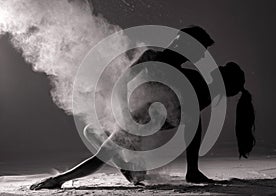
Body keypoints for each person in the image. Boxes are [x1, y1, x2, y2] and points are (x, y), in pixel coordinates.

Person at [30, 25, 255, 190]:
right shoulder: (159, 60)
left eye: (202, 51)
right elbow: (123, 83)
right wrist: (123, 112)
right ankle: (119, 167)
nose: (202, 55)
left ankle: (59, 180)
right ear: (182, 43)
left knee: (107, 151)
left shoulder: (188, 78)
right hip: (134, 118)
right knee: (92, 131)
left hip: (139, 121)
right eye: (200, 49)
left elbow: (191, 128)